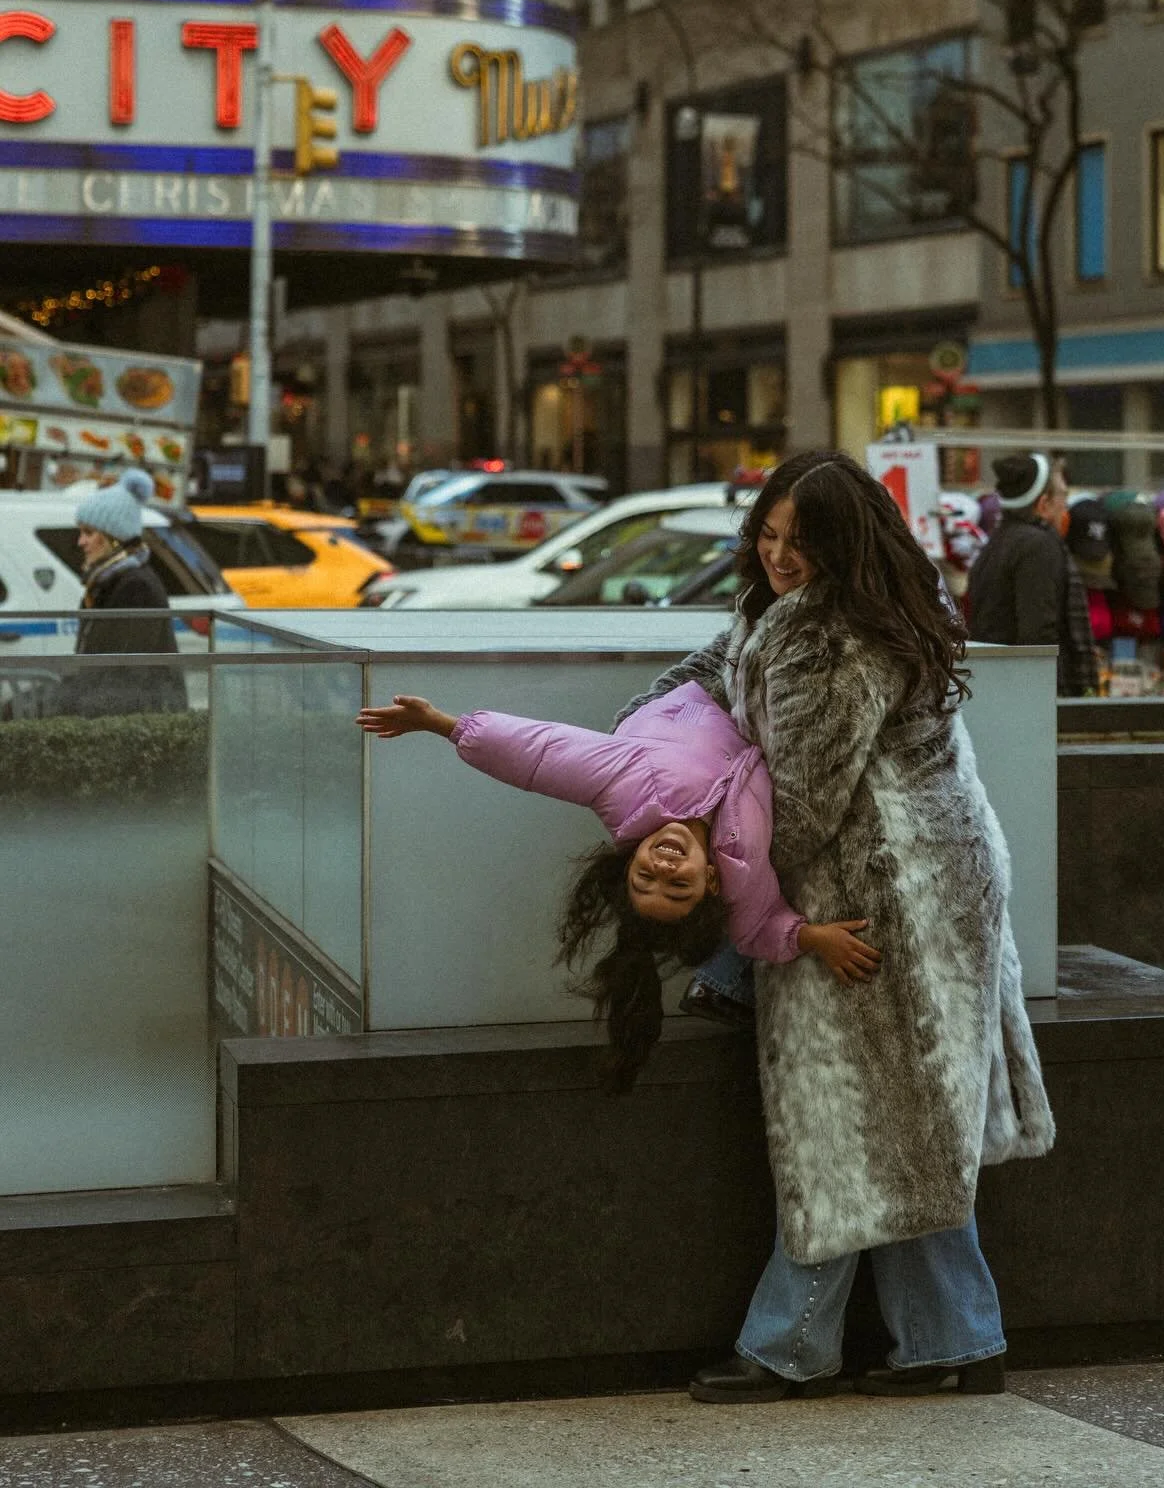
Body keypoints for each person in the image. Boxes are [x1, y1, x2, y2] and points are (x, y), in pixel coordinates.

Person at [610, 449, 1054, 1402]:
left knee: (844, 1129)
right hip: (921, 886)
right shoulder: (840, 610)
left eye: (797, 543)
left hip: (876, 901)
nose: (776, 557)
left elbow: (803, 806)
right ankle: (955, 1340)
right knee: (912, 1121)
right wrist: (648, 731)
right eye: (766, 537)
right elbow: (723, 664)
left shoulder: (832, 643)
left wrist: (688, 828)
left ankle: (790, 1349)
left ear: (840, 543)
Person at [354, 680, 880, 1087]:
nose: (665, 868)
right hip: (750, 730)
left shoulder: (626, 788)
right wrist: (816, 938)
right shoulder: (740, 870)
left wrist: (442, 725)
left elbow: (538, 756)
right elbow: (758, 928)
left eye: (645, 875)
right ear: (712, 882)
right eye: (677, 887)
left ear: (630, 860)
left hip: (689, 698)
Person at [963, 451, 1099, 697]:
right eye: (1062, 496)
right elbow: (1038, 638)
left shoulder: (998, 542)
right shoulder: (1037, 547)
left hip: (1000, 689)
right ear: (1043, 504)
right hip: (1032, 698)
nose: (1064, 506)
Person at [57, 468, 186, 718]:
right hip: (112, 714)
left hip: (139, 722)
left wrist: (78, 712)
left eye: (89, 532)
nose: (80, 542)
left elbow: (129, 675)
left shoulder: (136, 587)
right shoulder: (105, 582)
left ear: (114, 538)